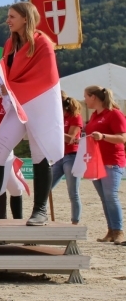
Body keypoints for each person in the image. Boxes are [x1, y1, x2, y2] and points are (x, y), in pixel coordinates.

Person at [0, 2, 63, 226]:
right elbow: (7, 74)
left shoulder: (43, 43)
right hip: (17, 106)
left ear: (25, 18)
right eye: (8, 16)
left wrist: (11, 85)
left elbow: (47, 78)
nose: (8, 20)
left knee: (39, 155)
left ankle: (39, 210)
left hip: (39, 107)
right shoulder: (9, 44)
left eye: (12, 16)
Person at [82, 86, 126, 243]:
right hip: (96, 163)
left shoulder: (114, 114)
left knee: (111, 196)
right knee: (104, 198)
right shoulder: (94, 116)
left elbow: (122, 138)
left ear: (93, 97)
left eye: (86, 97)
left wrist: (103, 136)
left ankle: (119, 231)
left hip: (112, 161)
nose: (85, 100)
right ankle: (111, 231)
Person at [51, 94, 85, 225]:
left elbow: (70, 139)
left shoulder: (75, 117)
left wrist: (56, 130)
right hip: (59, 156)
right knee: (46, 188)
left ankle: (75, 222)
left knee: (73, 192)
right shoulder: (58, 117)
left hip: (71, 156)